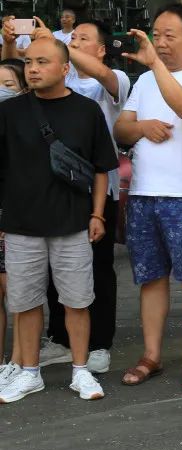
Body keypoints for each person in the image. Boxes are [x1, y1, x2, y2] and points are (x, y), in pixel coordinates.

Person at [0, 37, 118, 403]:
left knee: (77, 301)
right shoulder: (9, 112)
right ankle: (29, 372)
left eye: (43, 62)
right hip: (21, 224)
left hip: (73, 222)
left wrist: (97, 214)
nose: (33, 69)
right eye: (29, 62)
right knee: (24, 302)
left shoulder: (87, 110)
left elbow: (101, 169)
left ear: (65, 68)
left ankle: (81, 370)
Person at [114, 3, 182, 390]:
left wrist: (155, 64)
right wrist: (142, 126)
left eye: (169, 35)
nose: (160, 42)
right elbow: (121, 130)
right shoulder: (143, 81)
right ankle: (151, 355)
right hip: (144, 193)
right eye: (156, 35)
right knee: (151, 278)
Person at [37, 19, 130, 374]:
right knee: (54, 268)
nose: (73, 41)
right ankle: (60, 338)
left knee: (98, 267)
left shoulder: (114, 80)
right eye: (71, 37)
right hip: (56, 190)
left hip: (99, 190)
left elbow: (104, 76)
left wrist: (59, 46)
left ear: (102, 49)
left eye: (82, 38)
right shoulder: (61, 80)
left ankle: (100, 343)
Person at [0, 60, 28, 391]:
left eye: (8, 85)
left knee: (18, 294)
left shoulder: (23, 127)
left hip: (12, 216)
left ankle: (18, 361)